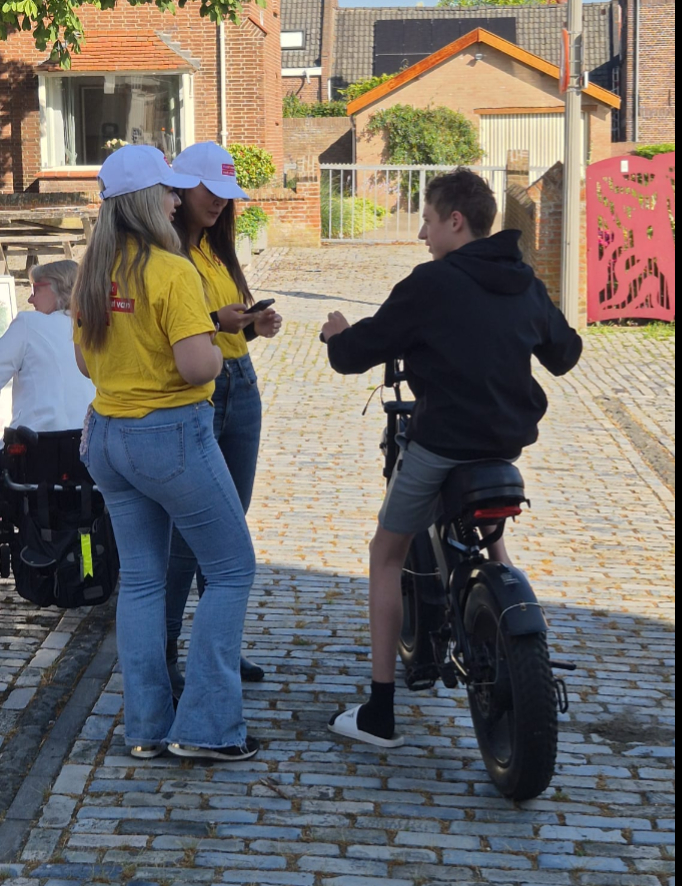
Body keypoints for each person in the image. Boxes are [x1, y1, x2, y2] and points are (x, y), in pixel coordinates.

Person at [320, 169, 583, 749]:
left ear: (455, 221)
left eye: (428, 220)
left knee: (385, 554)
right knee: (492, 539)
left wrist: (337, 333)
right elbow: (565, 354)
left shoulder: (432, 283)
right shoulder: (523, 279)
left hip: (445, 442)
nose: (422, 233)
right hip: (505, 445)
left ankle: (380, 712)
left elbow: (356, 354)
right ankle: (499, 588)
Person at [72, 144, 259, 762]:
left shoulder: (94, 271)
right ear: (149, 201)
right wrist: (214, 332)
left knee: (144, 582)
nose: (179, 199)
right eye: (171, 191)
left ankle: (147, 724)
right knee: (231, 569)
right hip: (170, 434)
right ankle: (206, 726)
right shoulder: (170, 269)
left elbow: (84, 361)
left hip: (107, 437)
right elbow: (198, 363)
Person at [164, 142, 282, 695]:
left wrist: (252, 323)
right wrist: (218, 319)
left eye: (227, 195)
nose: (219, 203)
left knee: (229, 531)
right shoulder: (166, 253)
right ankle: (164, 653)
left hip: (241, 388)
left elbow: (220, 323)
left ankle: (219, 649)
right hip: (200, 395)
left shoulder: (216, 248)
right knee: (189, 536)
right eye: (211, 191)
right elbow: (168, 335)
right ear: (182, 187)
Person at [0, 260, 95, 438]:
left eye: (36, 289)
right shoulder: (92, 328)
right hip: (89, 443)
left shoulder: (28, 324)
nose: (30, 299)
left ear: (58, 287)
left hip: (37, 445)